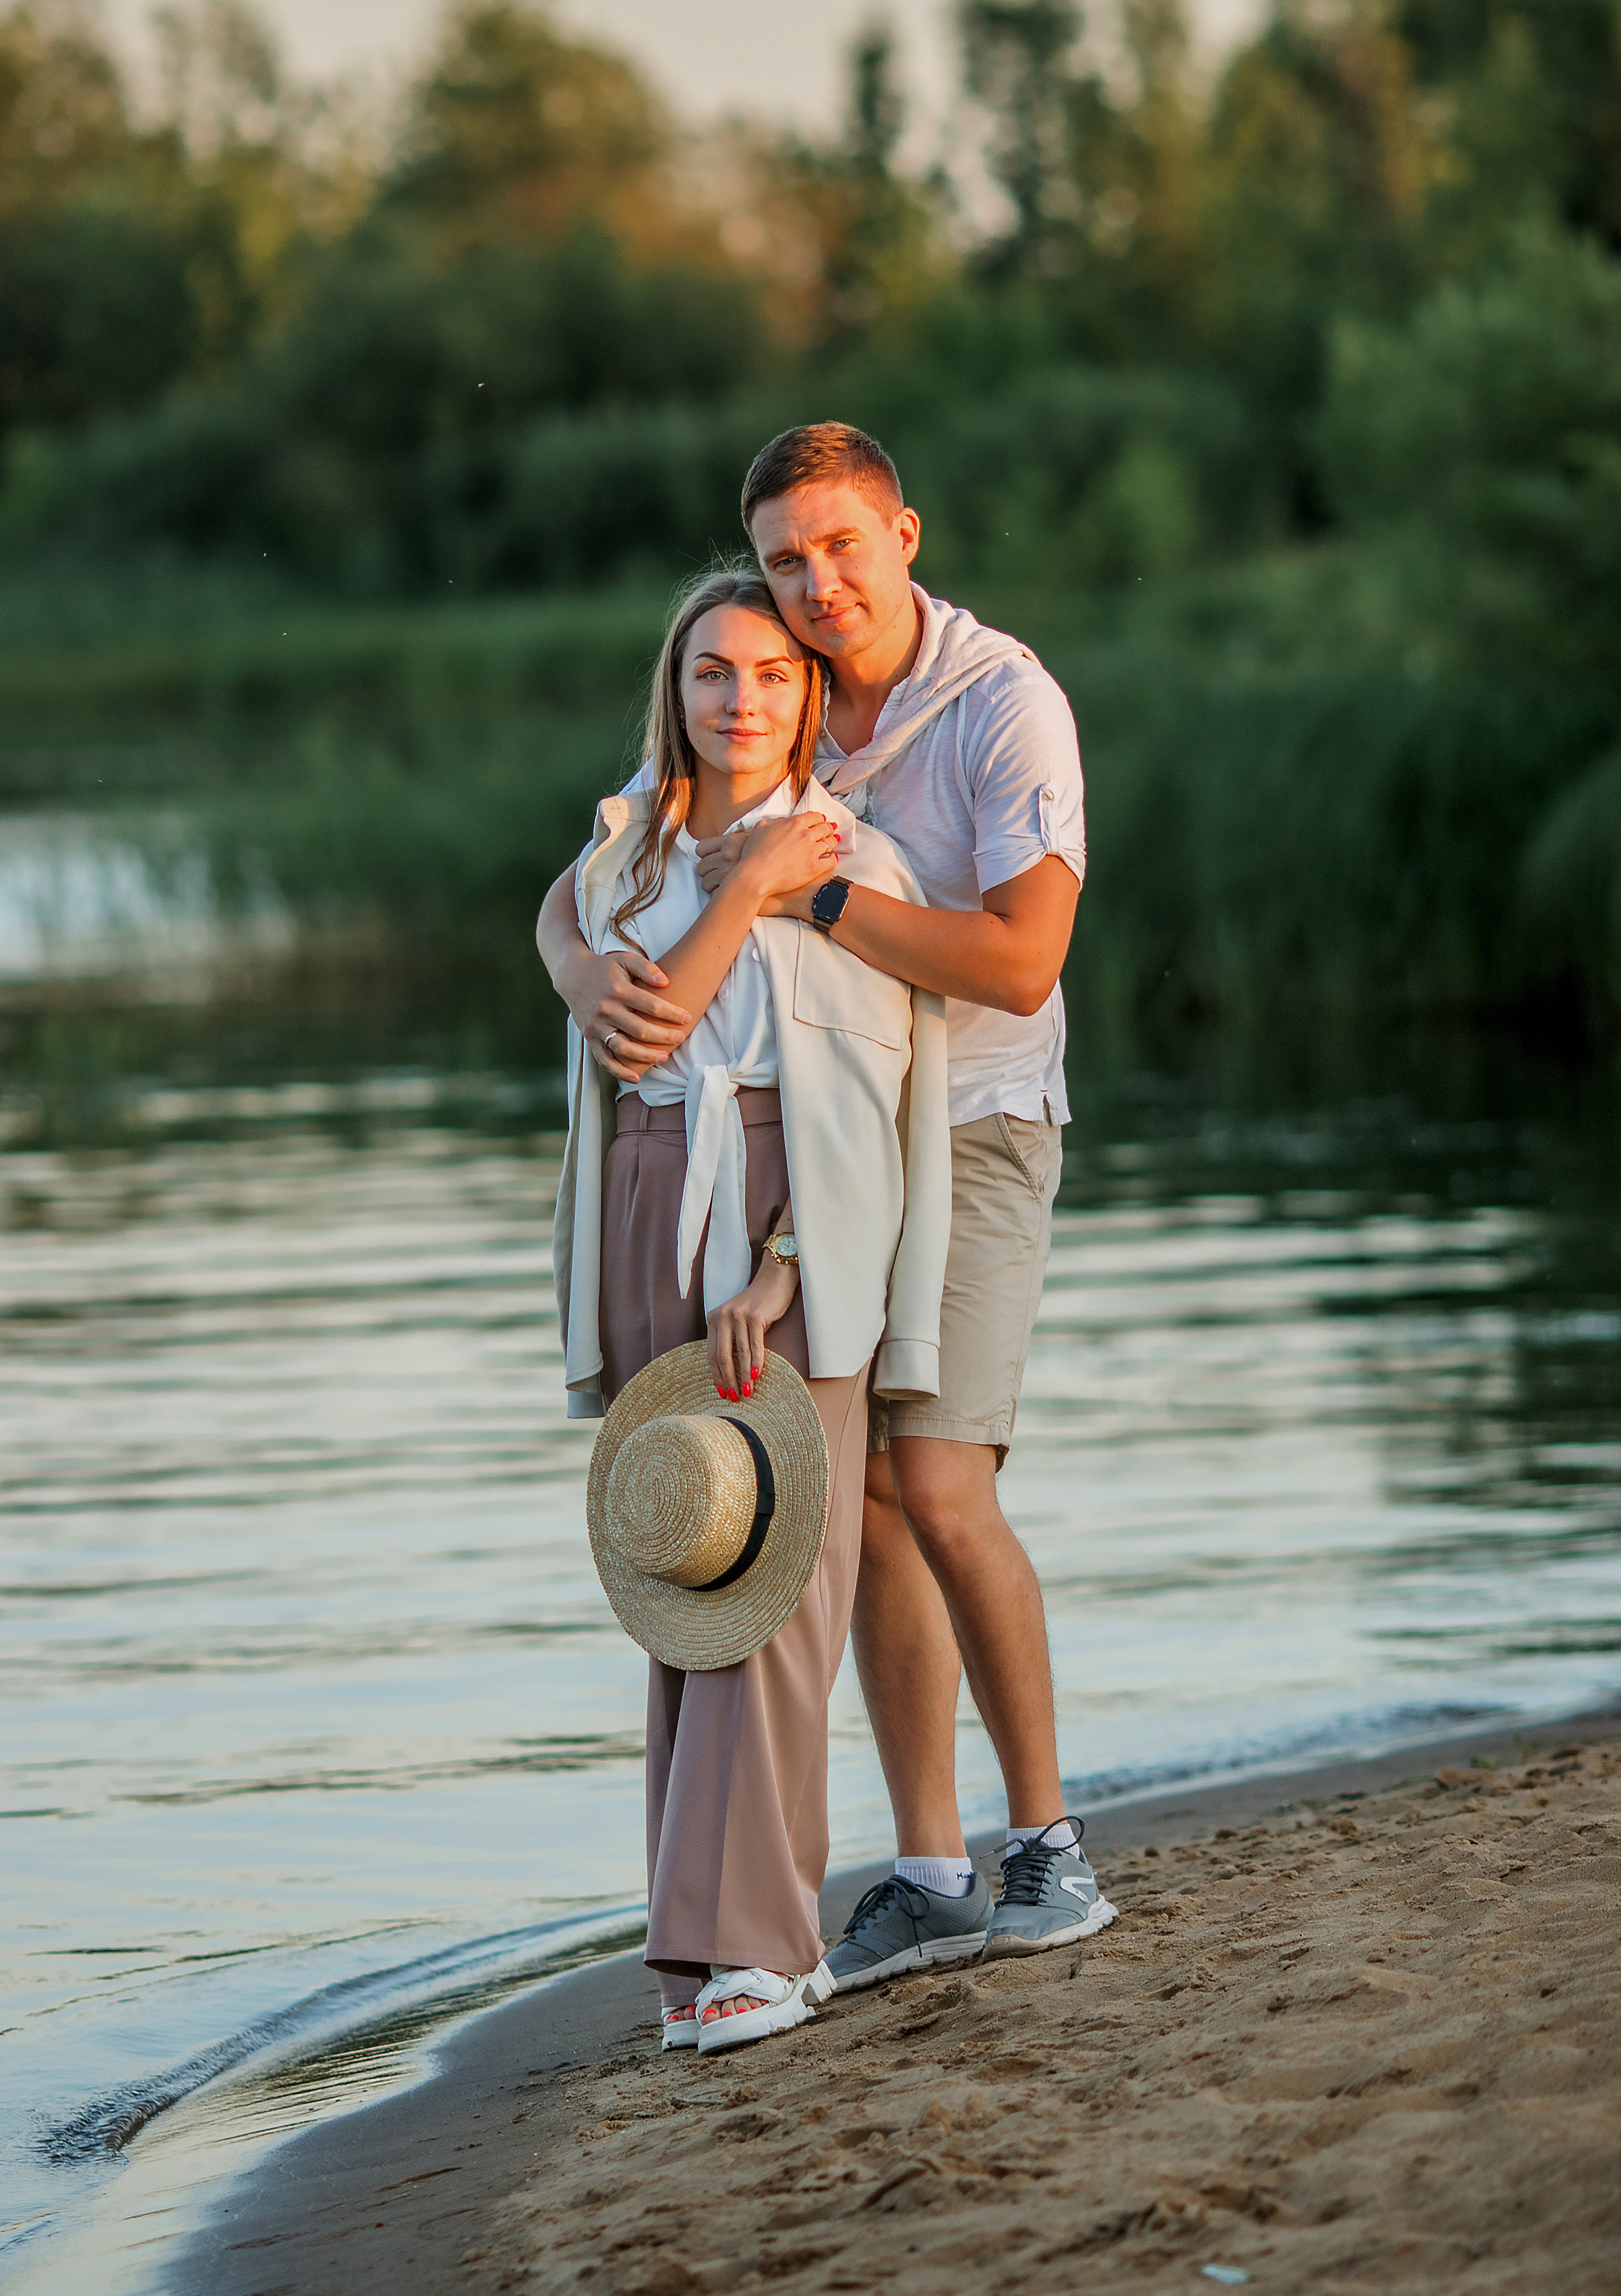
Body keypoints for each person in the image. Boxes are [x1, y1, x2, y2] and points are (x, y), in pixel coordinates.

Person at [538, 424, 1116, 1980]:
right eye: (787, 558)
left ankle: (1046, 1844)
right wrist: (579, 963)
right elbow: (604, 858)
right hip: (838, 1138)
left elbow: (1018, 960)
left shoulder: (1003, 704)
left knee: (934, 1482)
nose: (813, 584)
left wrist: (823, 897)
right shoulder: (770, 678)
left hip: (975, 1118)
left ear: (905, 534)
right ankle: (927, 1862)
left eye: (839, 548)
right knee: (850, 1496)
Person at [548, 565, 950, 2053]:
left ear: (810, 694)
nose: (741, 699)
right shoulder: (627, 844)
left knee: (785, 1580)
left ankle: (764, 1946)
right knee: (691, 1556)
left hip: (780, 1210)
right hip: (650, 1196)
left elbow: (869, 1101)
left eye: (773, 675)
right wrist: (575, 944)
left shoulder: (851, 859)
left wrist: (786, 1256)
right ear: (677, 686)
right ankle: (693, 1953)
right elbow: (603, 987)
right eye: (713, 672)